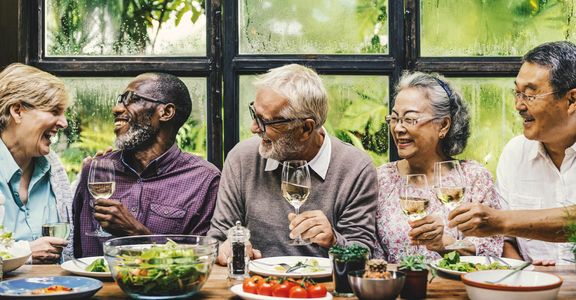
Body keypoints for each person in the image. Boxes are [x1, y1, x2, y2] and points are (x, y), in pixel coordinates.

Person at [207, 64, 378, 264]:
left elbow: (363, 253)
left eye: (266, 122)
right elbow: (217, 239)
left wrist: (334, 241)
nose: (254, 128)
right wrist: (228, 248)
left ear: (306, 128)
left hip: (324, 290)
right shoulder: (242, 158)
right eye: (255, 114)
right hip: (256, 288)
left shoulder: (355, 168)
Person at [448, 41, 576, 265]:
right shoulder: (515, 152)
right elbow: (506, 241)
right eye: (516, 93)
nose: (518, 105)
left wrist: (499, 220)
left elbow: (502, 225)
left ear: (572, 100)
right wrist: (526, 271)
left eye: (530, 94)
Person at [72, 72, 220, 257]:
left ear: (166, 112)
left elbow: (201, 260)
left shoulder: (204, 180)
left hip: (166, 287)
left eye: (131, 100)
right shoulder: (96, 170)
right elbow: (76, 251)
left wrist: (138, 235)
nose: (116, 109)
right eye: (120, 100)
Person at [374, 71, 503, 263]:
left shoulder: (474, 178)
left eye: (410, 119)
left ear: (443, 125)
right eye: (394, 119)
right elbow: (371, 254)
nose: (398, 128)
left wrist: (445, 243)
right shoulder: (381, 178)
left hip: (456, 290)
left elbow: (490, 251)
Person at [0, 63, 72, 263]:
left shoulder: (53, 170)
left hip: (53, 291)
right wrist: (25, 252)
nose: (64, 122)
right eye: (55, 111)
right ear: (17, 111)